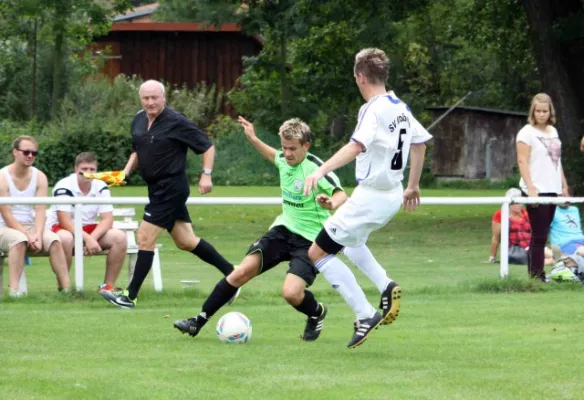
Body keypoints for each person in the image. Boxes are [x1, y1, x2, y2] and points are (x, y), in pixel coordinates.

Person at [174, 117, 397, 343]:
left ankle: (316, 313)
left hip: (311, 241)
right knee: (240, 272)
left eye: (293, 149)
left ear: (306, 146)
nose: (287, 153)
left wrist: (330, 203)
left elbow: (340, 194)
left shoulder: (316, 168)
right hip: (282, 232)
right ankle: (197, 321)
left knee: (291, 294)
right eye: (284, 147)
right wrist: (253, 138)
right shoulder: (283, 158)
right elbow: (272, 155)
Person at [303, 48, 432, 348]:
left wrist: (318, 171)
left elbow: (356, 146)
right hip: (392, 194)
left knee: (317, 253)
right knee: (351, 243)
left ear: (360, 77)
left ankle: (364, 315)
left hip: (372, 195)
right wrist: (413, 185)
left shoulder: (373, 109)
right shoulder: (400, 106)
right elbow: (421, 143)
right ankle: (386, 285)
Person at [100, 80, 235, 308]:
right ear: (140, 99)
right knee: (186, 241)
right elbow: (138, 150)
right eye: (146, 98)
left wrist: (206, 175)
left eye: (155, 97)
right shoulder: (138, 119)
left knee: (144, 238)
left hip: (171, 188)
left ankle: (130, 296)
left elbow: (207, 146)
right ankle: (234, 276)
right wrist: (124, 173)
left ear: (164, 98)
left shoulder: (177, 121)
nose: (150, 102)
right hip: (155, 189)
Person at [0, 136, 70, 295]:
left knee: (54, 240)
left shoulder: (40, 177)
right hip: (4, 228)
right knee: (19, 241)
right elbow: (6, 214)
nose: (30, 156)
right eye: (26, 152)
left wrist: (37, 234)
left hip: (31, 227)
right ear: (15, 152)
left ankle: (66, 290)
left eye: (34, 153)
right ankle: (14, 292)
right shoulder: (2, 177)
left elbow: (40, 209)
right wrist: (27, 235)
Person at [47, 152, 127, 292]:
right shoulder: (63, 186)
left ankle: (107, 287)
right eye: (84, 169)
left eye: (92, 170)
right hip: (62, 229)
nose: (88, 173)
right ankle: (64, 288)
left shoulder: (101, 185)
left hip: (88, 229)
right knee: (65, 238)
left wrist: (92, 238)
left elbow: (107, 219)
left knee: (119, 237)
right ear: (75, 169)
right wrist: (88, 239)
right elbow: (64, 221)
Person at [516, 93, 568, 281]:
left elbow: (557, 161)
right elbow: (522, 160)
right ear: (533, 111)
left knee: (543, 234)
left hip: (552, 188)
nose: (541, 114)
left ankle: (537, 273)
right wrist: (530, 188)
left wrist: (564, 185)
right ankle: (537, 276)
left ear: (550, 112)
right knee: (539, 235)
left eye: (545, 111)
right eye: (538, 111)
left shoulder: (553, 132)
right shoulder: (526, 132)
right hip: (536, 188)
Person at [490, 188, 556, 266]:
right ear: (509, 203)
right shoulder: (501, 215)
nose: (520, 205)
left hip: (529, 246)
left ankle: (541, 261)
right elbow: (496, 238)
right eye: (517, 203)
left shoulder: (525, 213)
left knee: (552, 257)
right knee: (551, 258)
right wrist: (492, 257)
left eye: (521, 202)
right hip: (514, 250)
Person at [549, 187, 584, 256]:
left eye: (568, 196)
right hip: (564, 243)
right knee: (582, 251)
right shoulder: (552, 211)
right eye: (562, 196)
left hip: (581, 240)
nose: (565, 199)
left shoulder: (575, 209)